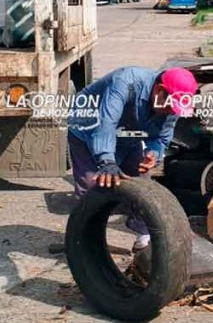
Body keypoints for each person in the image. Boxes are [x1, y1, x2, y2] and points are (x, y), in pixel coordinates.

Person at [67, 67, 198, 250]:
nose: (171, 112)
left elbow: (161, 137)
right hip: (88, 128)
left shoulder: (171, 106)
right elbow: (106, 123)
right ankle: (86, 245)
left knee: (142, 184)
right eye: (169, 107)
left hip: (128, 134)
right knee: (92, 187)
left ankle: (144, 236)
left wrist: (153, 153)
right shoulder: (125, 83)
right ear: (159, 90)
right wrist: (107, 162)